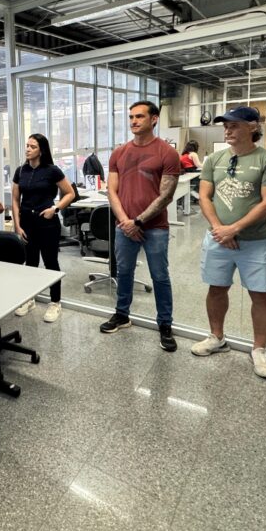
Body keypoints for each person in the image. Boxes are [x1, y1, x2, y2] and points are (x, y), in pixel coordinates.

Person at [191, 106, 266, 379]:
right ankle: (216, 337)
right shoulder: (214, 160)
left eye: (234, 125)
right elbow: (205, 196)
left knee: (260, 294)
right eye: (226, 126)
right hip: (218, 238)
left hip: (255, 241)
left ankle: (259, 349)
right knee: (216, 289)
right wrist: (220, 229)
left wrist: (235, 229)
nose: (228, 130)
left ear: (252, 127)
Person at [99, 101, 182, 351]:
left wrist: (138, 221)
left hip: (155, 227)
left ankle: (165, 324)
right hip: (124, 225)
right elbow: (111, 190)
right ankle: (122, 315)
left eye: (140, 117)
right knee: (123, 272)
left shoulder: (167, 153)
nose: (134, 121)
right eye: (131, 116)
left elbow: (166, 196)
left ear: (154, 119)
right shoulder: (119, 153)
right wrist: (126, 221)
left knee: (159, 276)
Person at [11, 133, 74, 323]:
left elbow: (70, 193)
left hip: (47, 223)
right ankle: (30, 299)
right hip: (27, 223)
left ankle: (55, 302)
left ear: (41, 150)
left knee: (50, 263)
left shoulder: (52, 171)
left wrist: (55, 209)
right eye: (27, 146)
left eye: (32, 147)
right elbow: (15, 200)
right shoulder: (20, 171)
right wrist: (17, 224)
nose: (28, 149)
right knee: (30, 263)